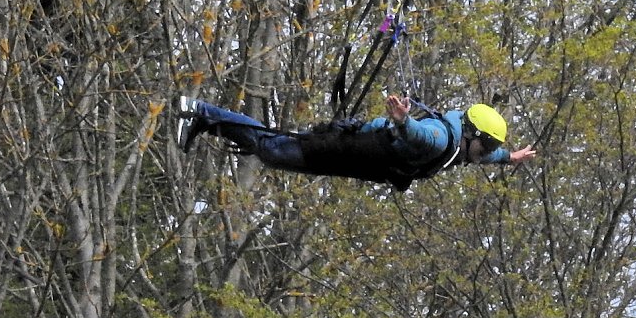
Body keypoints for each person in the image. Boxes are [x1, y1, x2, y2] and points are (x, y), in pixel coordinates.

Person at [177, 95, 536, 191]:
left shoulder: (464, 148)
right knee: (271, 146)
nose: (485, 154)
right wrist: (404, 121)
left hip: (358, 158)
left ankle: (207, 120)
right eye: (487, 147)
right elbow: (421, 134)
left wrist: (509, 156)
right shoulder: (442, 139)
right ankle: (202, 112)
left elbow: (485, 156)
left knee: (271, 154)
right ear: (473, 134)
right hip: (351, 149)